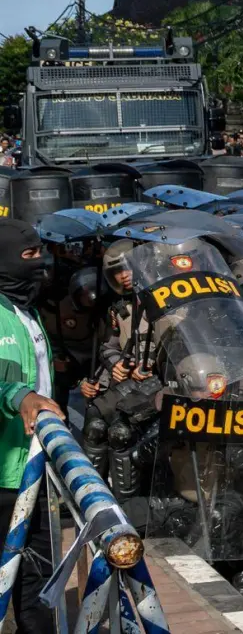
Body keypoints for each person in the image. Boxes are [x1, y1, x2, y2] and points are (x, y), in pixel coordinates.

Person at [0, 220, 66, 634]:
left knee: (37, 582)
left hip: (36, 470)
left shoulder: (26, 310)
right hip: (3, 478)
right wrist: (18, 396)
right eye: (29, 256)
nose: (40, 263)